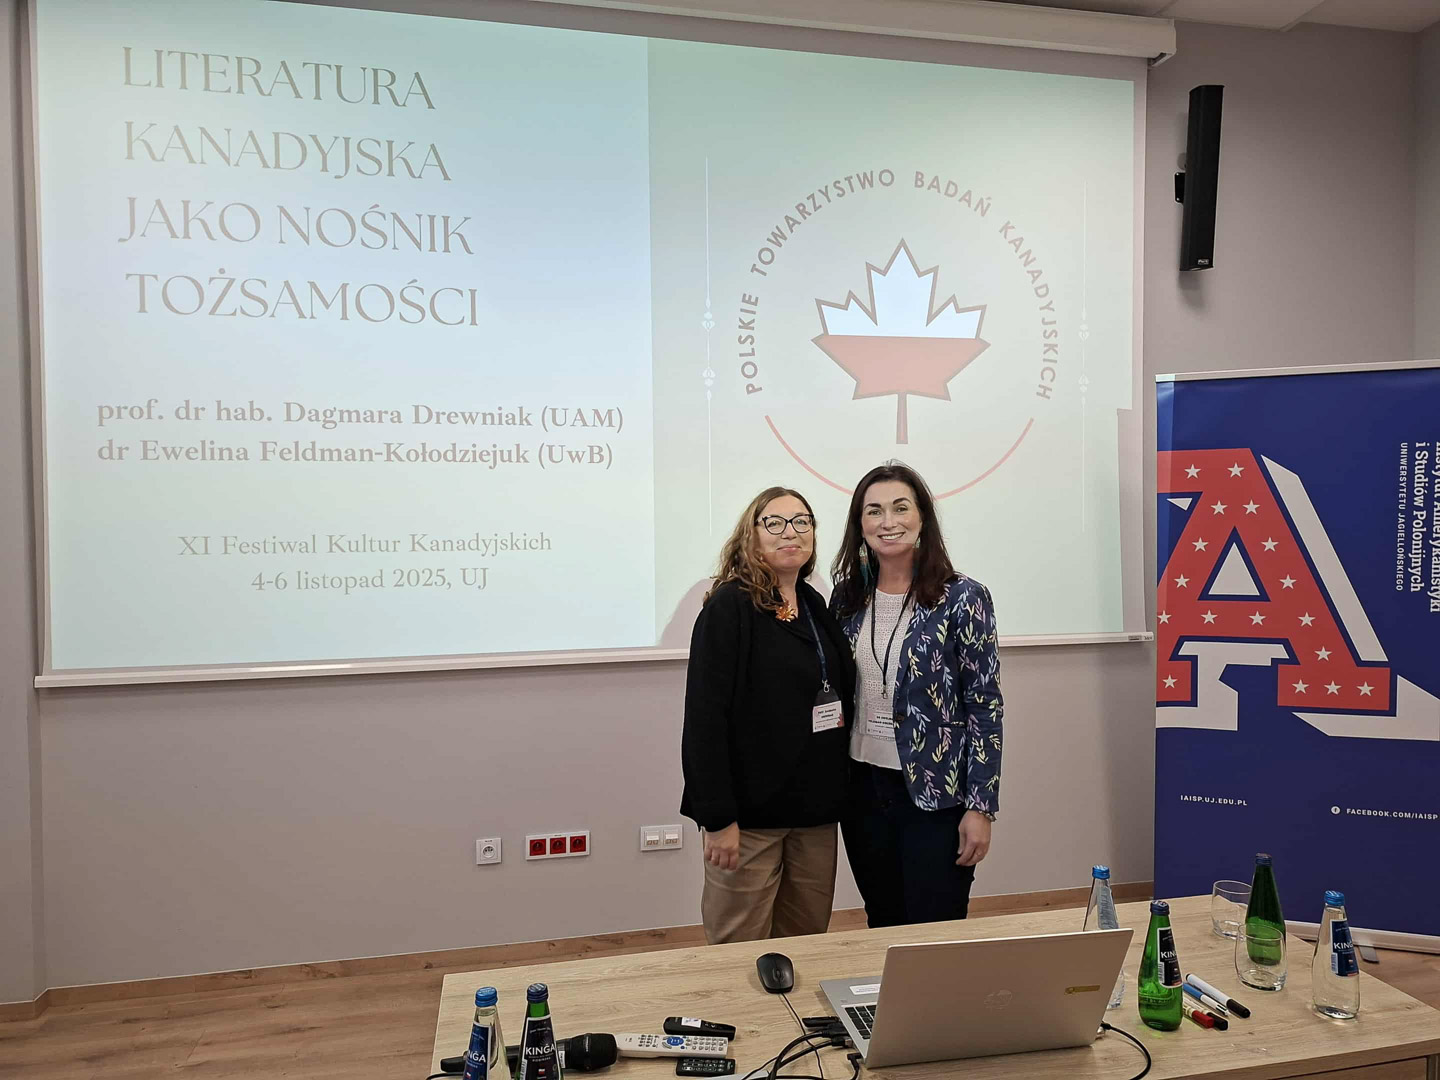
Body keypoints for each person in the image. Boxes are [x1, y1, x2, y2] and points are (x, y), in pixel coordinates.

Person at [829, 462, 1003, 928]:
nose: (889, 522)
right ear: (859, 526)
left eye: (901, 508)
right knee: (882, 920)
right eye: (874, 511)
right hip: (863, 789)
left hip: (936, 795)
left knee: (936, 926)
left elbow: (985, 707)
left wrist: (980, 806)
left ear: (922, 516)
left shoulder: (963, 597)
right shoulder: (845, 600)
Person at [681, 487, 856, 943]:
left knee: (806, 941)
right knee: (738, 947)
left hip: (814, 813)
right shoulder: (728, 607)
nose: (790, 533)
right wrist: (717, 819)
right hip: (748, 817)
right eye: (774, 523)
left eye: (802, 521)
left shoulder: (816, 606)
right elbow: (704, 719)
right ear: (751, 535)